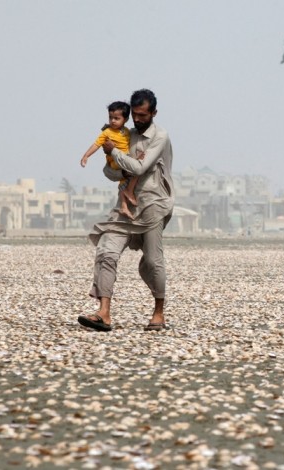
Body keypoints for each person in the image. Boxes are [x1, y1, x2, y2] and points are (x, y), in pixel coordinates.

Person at [77, 88, 174, 332]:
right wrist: (119, 163)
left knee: (152, 261)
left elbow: (140, 168)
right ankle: (104, 312)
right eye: (136, 116)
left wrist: (116, 154)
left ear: (154, 112)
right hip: (125, 206)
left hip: (153, 205)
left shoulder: (160, 136)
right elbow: (108, 172)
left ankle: (159, 312)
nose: (139, 120)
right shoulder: (125, 136)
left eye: (144, 115)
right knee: (106, 251)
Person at [79, 101, 141, 220]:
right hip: (115, 161)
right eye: (110, 118)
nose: (112, 121)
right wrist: (86, 156)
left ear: (125, 119)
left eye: (116, 118)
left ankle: (124, 207)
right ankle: (130, 192)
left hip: (124, 158)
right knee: (137, 169)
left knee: (123, 182)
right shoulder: (107, 132)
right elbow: (96, 145)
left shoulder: (127, 131)